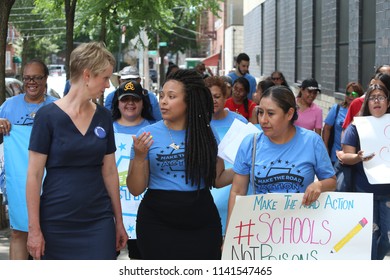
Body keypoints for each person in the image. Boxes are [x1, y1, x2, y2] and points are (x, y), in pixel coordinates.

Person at [26, 41, 128, 260]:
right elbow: (33, 176)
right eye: (105, 77)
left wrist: (119, 221)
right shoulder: (47, 117)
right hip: (56, 222)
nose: (108, 85)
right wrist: (34, 230)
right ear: (87, 75)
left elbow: (110, 171)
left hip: (98, 221)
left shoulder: (103, 116)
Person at [127, 69, 234, 260]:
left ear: (189, 101)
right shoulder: (146, 135)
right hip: (157, 223)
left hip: (201, 221)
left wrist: (244, 167)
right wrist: (139, 156)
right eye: (162, 96)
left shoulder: (207, 134)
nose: (163, 101)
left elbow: (217, 180)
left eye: (171, 96)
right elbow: (135, 189)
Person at [227, 85, 336, 231]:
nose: (263, 120)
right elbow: (237, 191)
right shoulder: (250, 143)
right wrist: (230, 235)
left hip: (299, 233)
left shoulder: (312, 141)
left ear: (289, 114)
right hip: (258, 231)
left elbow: (331, 182)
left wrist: (319, 185)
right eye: (260, 112)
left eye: (270, 114)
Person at [0, 58, 58, 260]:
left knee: (51, 233)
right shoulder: (8, 106)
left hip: (52, 182)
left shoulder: (58, 107)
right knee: (19, 231)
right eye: (26, 78)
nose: (31, 82)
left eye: (36, 78)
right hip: (19, 182)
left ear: (46, 79)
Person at [339, 83, 390, 260]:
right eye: (373, 98)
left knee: (387, 238)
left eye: (381, 97)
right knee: (370, 236)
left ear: (388, 103)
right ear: (367, 103)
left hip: (388, 193)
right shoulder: (356, 127)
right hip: (365, 190)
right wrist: (358, 157)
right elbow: (345, 156)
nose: (377, 101)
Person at [111, 80, 154, 260]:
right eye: (125, 99)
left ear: (143, 102)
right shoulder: (105, 127)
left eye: (135, 99)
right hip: (111, 210)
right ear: (117, 102)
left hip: (145, 212)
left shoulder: (154, 129)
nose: (130, 103)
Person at [204, 76, 247, 236]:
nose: (213, 101)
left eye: (217, 96)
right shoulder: (198, 124)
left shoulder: (240, 122)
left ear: (225, 97)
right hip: (210, 191)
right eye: (209, 97)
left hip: (235, 186)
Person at [322, 82, 364, 164]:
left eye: (354, 94)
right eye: (348, 93)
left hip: (355, 156)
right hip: (336, 155)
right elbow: (327, 128)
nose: (350, 96)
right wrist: (325, 147)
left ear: (359, 96)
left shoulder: (363, 112)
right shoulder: (337, 108)